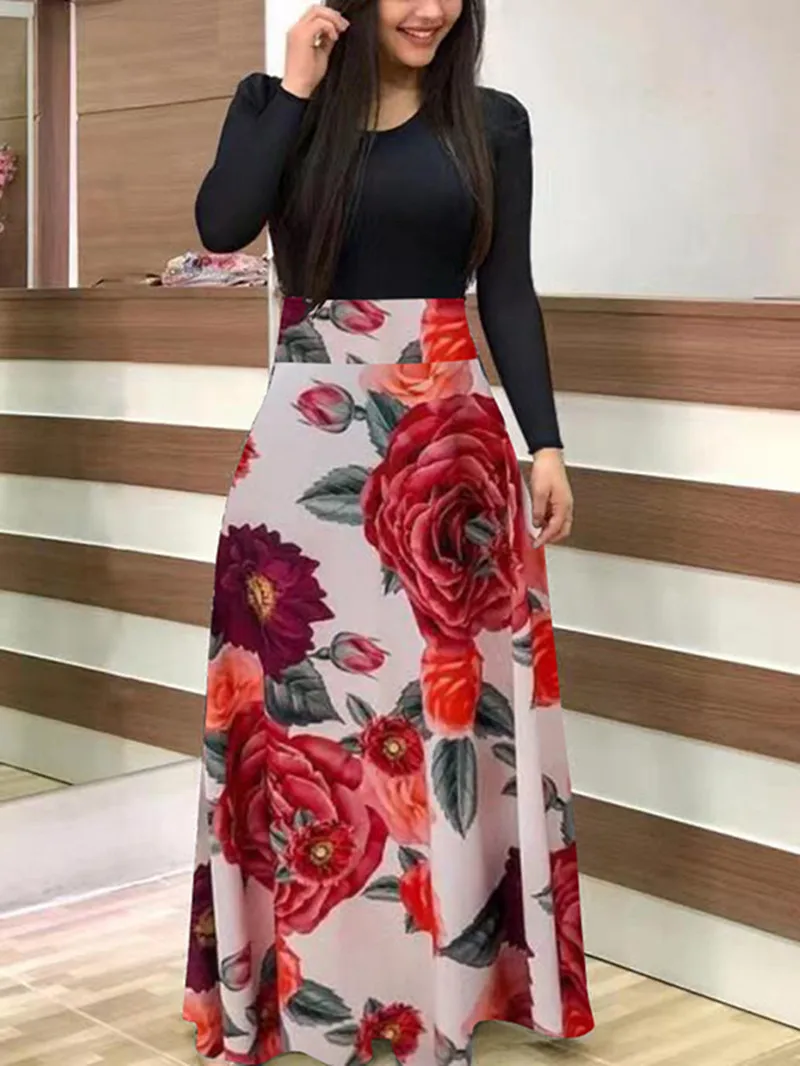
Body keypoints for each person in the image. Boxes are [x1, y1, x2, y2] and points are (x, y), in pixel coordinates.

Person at [182, 2, 594, 1063]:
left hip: (448, 451)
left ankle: (443, 990)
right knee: (299, 725)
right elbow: (223, 226)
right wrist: (297, 86)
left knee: (441, 724)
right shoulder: (277, 108)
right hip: (304, 452)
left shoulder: (492, 123)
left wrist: (544, 441)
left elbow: (507, 288)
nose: (430, 9)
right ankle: (300, 992)